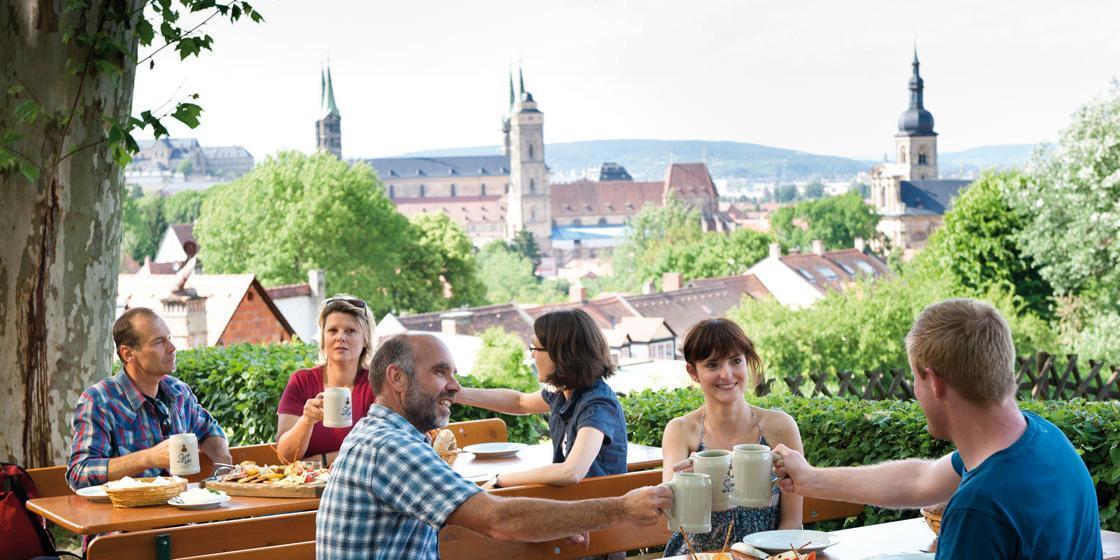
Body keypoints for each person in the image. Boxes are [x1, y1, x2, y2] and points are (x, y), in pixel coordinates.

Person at [773, 298, 1103, 559]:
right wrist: (809, 478)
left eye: (915, 378)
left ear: (933, 382)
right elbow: (921, 479)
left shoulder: (980, 507)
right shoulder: (1043, 439)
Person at [316, 333, 671, 560]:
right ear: (397, 378)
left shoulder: (383, 435)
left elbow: (481, 514)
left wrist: (558, 523)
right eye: (441, 373)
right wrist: (621, 508)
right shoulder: (391, 447)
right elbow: (500, 520)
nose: (455, 387)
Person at [660, 318, 804, 556]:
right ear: (693, 372)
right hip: (696, 556)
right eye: (712, 365)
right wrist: (685, 482)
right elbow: (673, 512)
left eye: (736, 361)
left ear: (747, 362)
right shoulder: (681, 430)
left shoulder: (780, 426)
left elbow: (792, 522)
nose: (726, 374)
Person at [454, 308, 627, 488]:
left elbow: (572, 472)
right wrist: (457, 394)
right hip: (574, 504)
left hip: (597, 510)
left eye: (535, 348)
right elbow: (520, 403)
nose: (532, 355)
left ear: (562, 354)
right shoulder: (564, 394)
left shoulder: (597, 405)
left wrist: (501, 480)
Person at [66, 307, 232, 489]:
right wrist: (148, 458)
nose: (172, 348)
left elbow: (209, 430)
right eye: (159, 342)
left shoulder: (179, 392)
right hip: (126, 515)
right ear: (128, 354)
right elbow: (79, 473)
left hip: (182, 511)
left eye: (169, 338)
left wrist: (223, 466)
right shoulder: (98, 401)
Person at [275, 295, 376, 465]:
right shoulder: (301, 382)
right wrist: (306, 421)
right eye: (332, 330)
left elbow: (378, 451)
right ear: (323, 338)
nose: (340, 337)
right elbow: (285, 456)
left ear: (365, 339)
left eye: (350, 331)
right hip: (307, 488)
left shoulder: (376, 385)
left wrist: (321, 461)